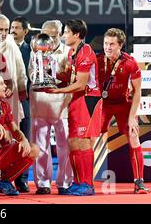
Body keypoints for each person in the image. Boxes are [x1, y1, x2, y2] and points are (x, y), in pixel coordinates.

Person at [45, 19, 100, 196]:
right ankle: (78, 182)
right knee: (73, 142)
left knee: (83, 142)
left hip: (87, 99)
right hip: (76, 100)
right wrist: (48, 72)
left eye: (67, 33)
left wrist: (58, 90)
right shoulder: (72, 53)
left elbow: (81, 84)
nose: (63, 36)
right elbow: (69, 77)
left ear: (76, 35)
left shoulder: (86, 52)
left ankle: (87, 184)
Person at [97, 28, 149, 194]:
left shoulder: (130, 62)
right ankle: (83, 181)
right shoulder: (97, 60)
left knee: (133, 134)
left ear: (120, 45)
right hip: (102, 103)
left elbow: (138, 91)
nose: (108, 47)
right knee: (89, 138)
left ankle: (139, 181)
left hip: (122, 102)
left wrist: (133, 117)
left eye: (112, 44)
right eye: (106, 43)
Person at [29, 20, 73, 195]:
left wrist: (54, 75)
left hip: (61, 103)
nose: (50, 39)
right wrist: (40, 74)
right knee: (40, 145)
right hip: (40, 103)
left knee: (64, 146)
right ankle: (43, 183)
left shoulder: (68, 52)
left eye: (54, 35)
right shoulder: (35, 52)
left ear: (60, 33)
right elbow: (31, 74)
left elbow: (70, 76)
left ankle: (64, 182)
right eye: (47, 35)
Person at [10, 16, 31, 192]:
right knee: (7, 140)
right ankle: (3, 178)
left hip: (25, 99)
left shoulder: (32, 50)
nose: (13, 30)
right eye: (12, 27)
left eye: (17, 27)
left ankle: (22, 178)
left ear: (25, 31)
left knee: (25, 137)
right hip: (7, 100)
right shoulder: (2, 47)